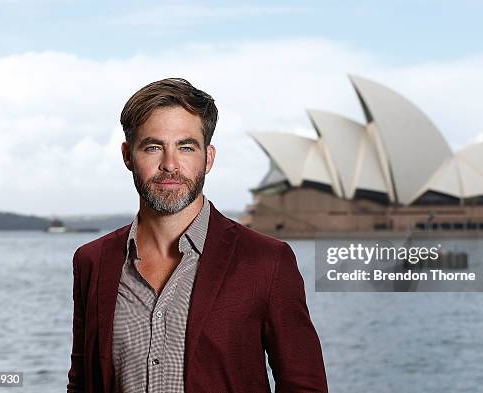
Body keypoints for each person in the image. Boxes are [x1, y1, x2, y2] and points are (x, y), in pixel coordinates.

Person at [66, 78, 328, 392]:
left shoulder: (267, 262)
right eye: (152, 147)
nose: (170, 165)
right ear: (127, 156)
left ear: (209, 158)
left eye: (186, 147)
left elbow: (304, 385)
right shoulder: (92, 262)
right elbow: (82, 381)